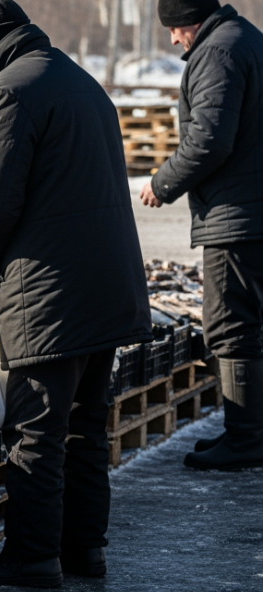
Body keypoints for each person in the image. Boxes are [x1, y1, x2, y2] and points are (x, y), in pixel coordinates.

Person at [0, 0, 152, 588]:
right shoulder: (80, 80)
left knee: (35, 427)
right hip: (106, 283)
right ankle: (83, 549)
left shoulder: (10, 92)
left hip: (50, 290)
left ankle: (32, 555)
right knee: (87, 424)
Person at [139, 0, 263, 471]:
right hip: (251, 209)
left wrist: (163, 182)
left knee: (230, 326)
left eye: (173, 29)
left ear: (189, 21)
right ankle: (248, 432)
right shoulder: (246, 39)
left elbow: (210, 138)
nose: (172, 40)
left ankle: (246, 439)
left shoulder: (219, 51)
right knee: (249, 321)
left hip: (238, 216)